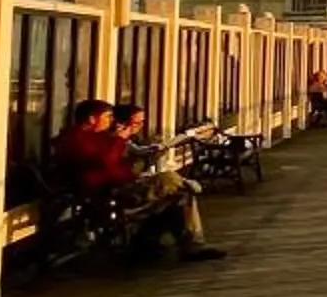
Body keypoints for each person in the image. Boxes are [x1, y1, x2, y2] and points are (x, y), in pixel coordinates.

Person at [51, 99, 225, 262]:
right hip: (108, 193)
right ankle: (179, 239)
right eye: (107, 116)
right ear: (91, 119)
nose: (111, 121)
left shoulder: (99, 137)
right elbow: (104, 163)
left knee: (180, 197)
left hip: (123, 186)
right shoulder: (76, 139)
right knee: (171, 181)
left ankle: (177, 244)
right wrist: (119, 140)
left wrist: (119, 140)